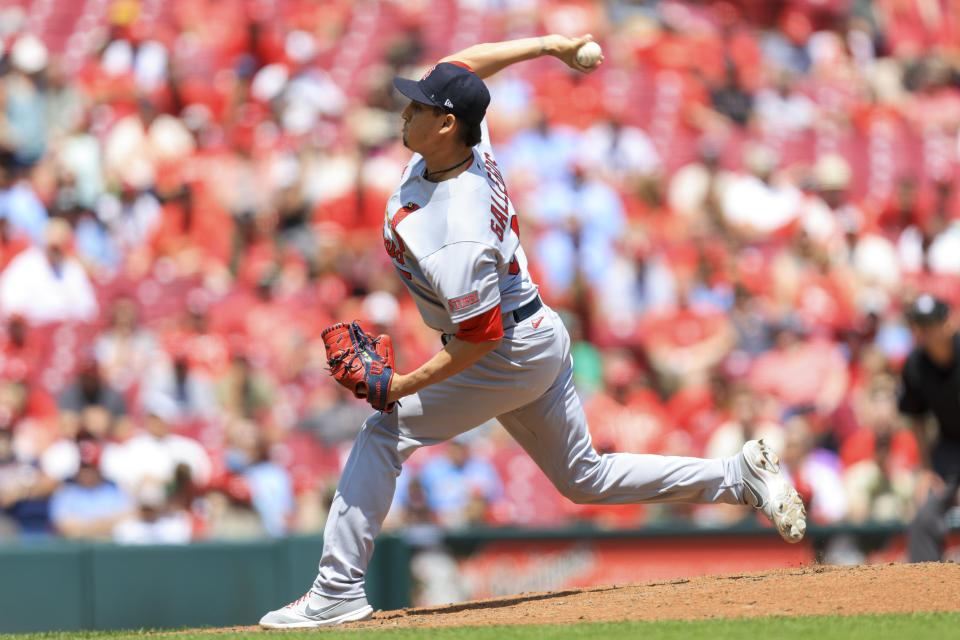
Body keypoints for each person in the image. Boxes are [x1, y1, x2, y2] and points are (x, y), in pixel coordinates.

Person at [259, 34, 807, 629]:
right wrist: (551, 46)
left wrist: (402, 386)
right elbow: (466, 65)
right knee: (584, 478)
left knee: (383, 434)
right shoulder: (466, 140)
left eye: (417, 107)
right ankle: (736, 477)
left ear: (445, 125)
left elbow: (481, 339)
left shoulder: (458, 233)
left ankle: (335, 591)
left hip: (508, 351)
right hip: (535, 332)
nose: (405, 111)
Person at [898, 295, 960, 561]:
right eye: (917, 325)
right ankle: (923, 586)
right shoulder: (915, 364)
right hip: (949, 447)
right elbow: (917, 417)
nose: (922, 331)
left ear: (948, 324)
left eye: (929, 324)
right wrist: (926, 469)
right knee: (925, 513)